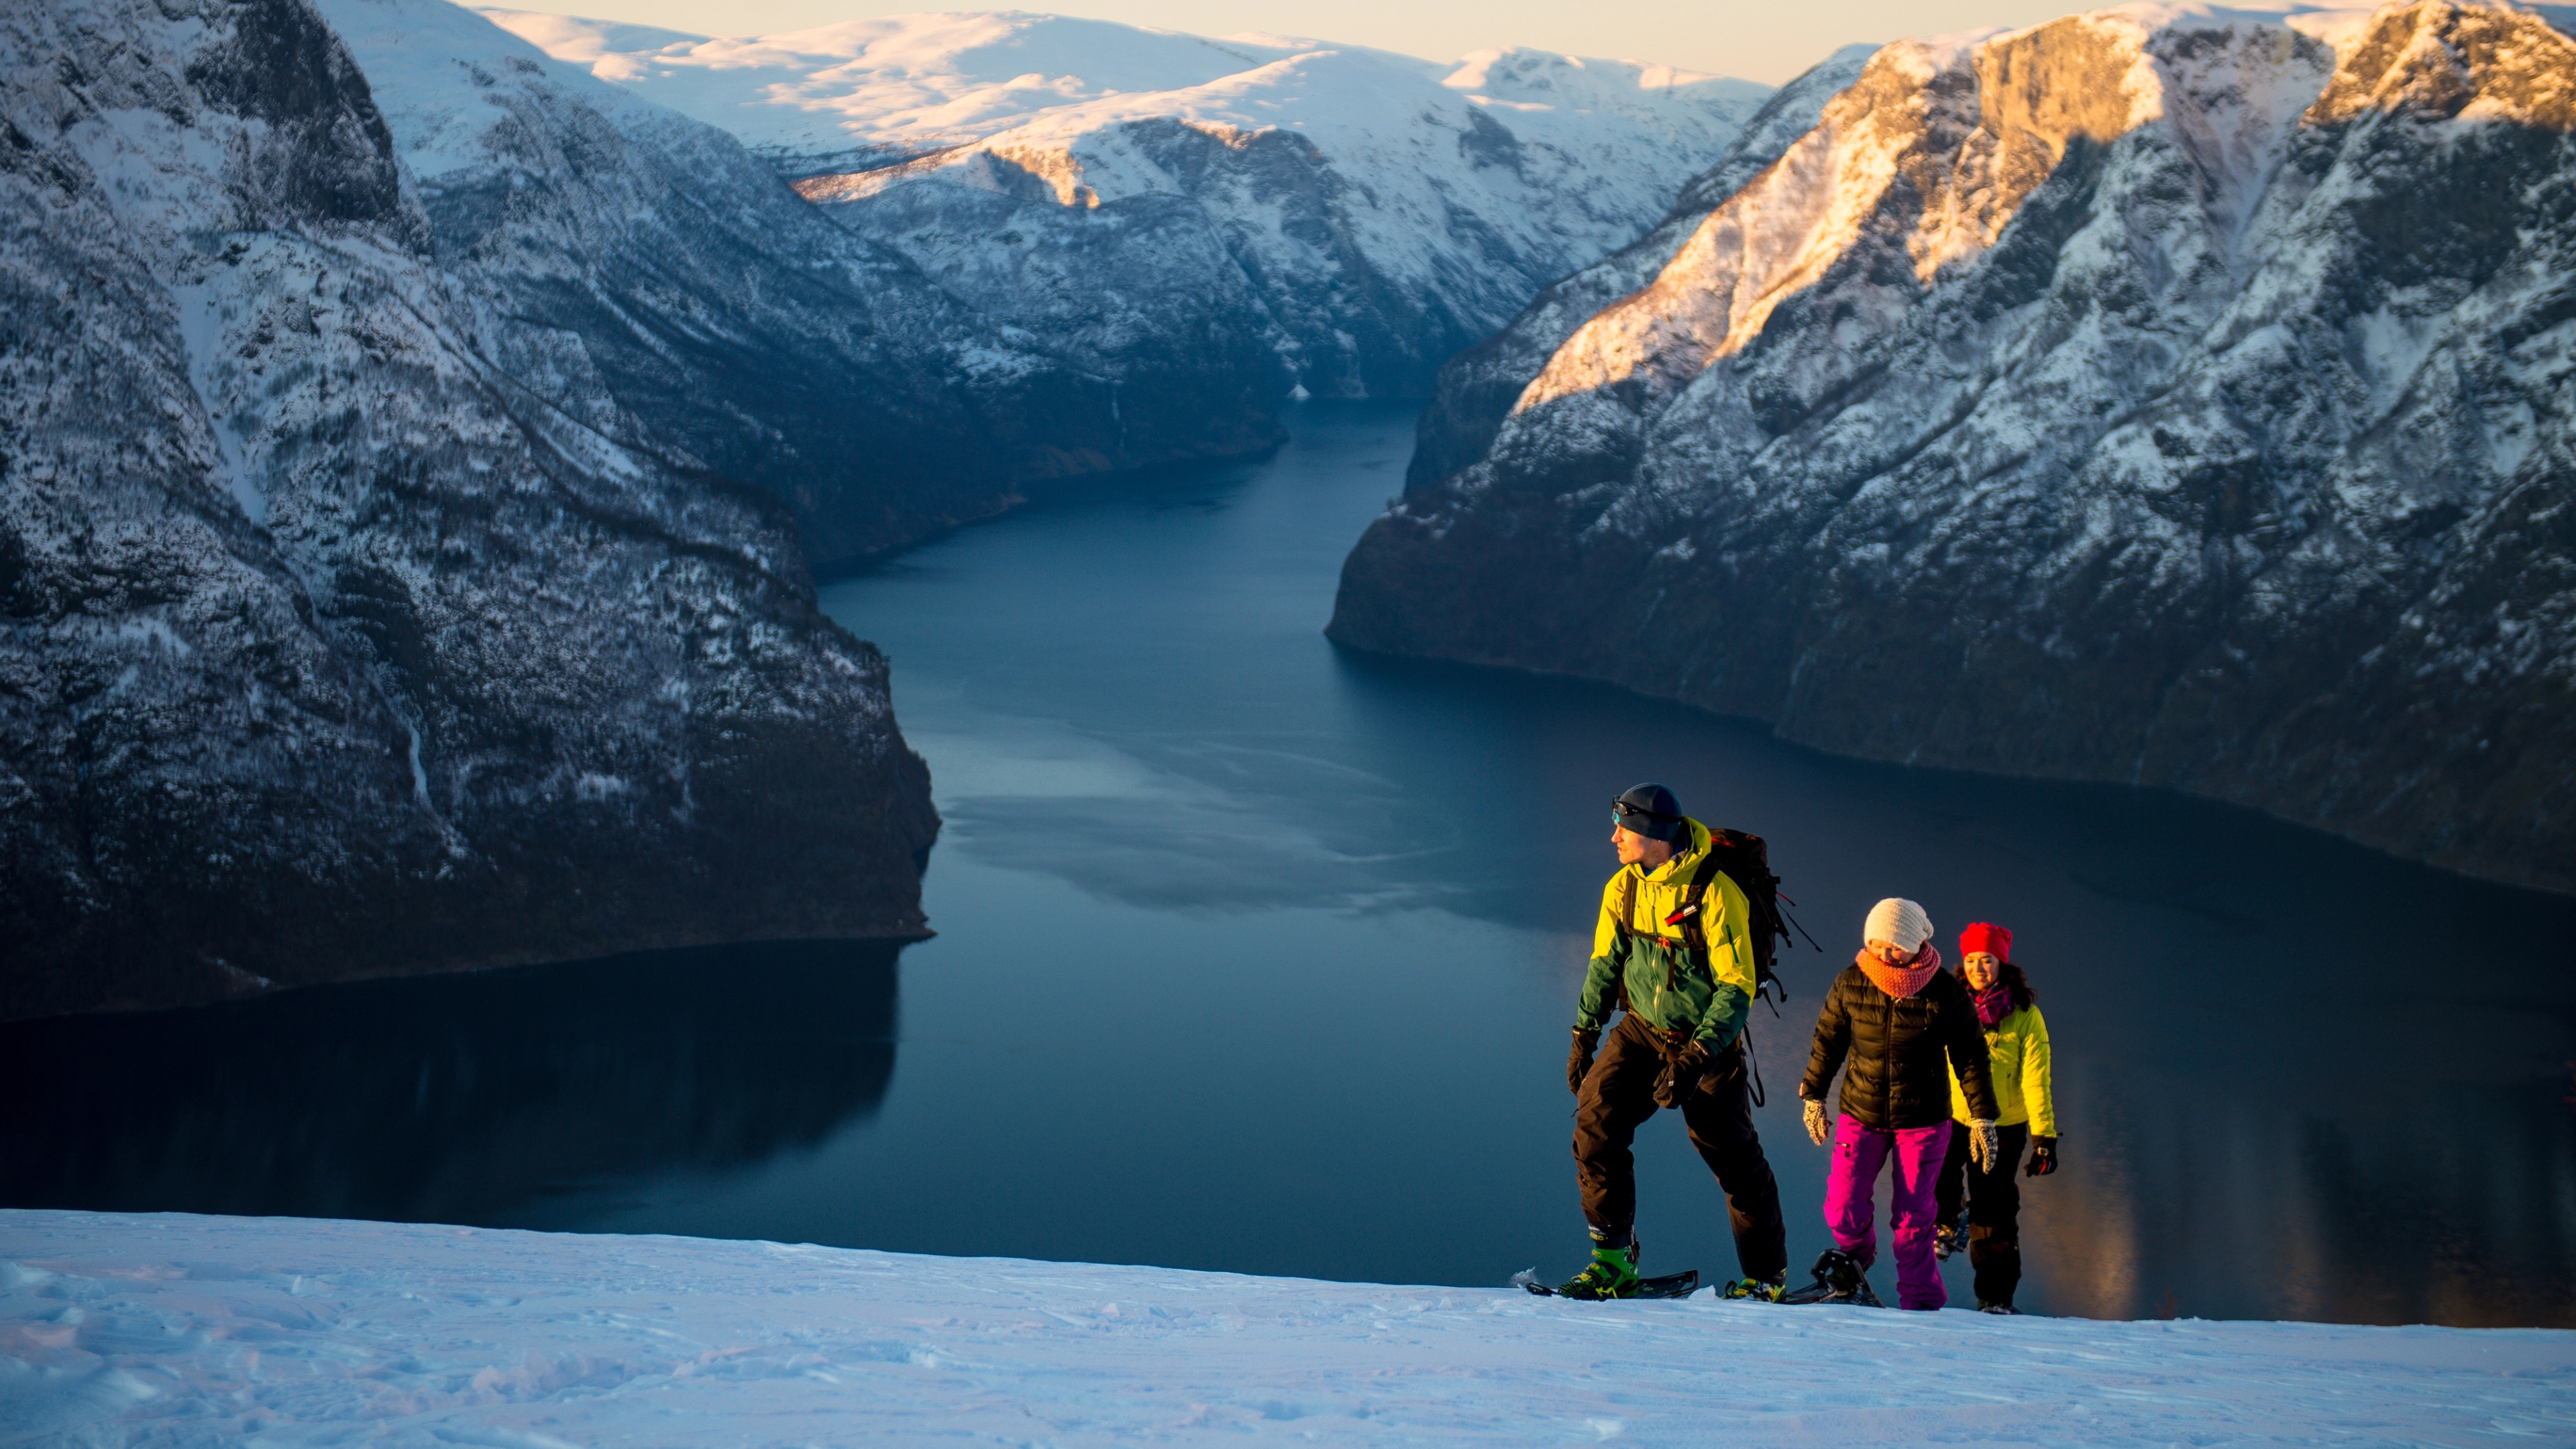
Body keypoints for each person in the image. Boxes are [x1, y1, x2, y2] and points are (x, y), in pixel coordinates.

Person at [1557, 784, 1788, 1299]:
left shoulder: (1713, 892)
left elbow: (1736, 986)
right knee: (1595, 1125)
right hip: (1642, 1032)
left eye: (1623, 826)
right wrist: (1584, 1036)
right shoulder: (1625, 888)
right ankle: (1613, 1263)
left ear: (1652, 835)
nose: (1613, 836)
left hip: (1705, 1044)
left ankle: (1766, 1279)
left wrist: (1696, 1059)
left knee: (1734, 1161)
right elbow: (1604, 965)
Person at [1792, 898, 2000, 1309]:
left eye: (1895, 946)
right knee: (1842, 1208)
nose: (1885, 955)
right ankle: (1857, 1263)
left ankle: (1921, 1305)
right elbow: (1828, 1040)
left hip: (1922, 1121)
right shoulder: (1851, 981)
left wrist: (1982, 1118)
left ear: (1918, 944)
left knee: (1913, 1221)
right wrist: (1813, 1095)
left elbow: (1971, 1056)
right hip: (1861, 1113)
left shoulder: (1944, 991)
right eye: (1877, 943)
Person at [1933, 921, 2057, 1314]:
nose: (1978, 968)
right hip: (1954, 1116)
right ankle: (1949, 1222)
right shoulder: (1950, 1002)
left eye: (1986, 960)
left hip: (2004, 1125)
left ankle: (1996, 1298)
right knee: (1937, 1178)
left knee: (1994, 1211)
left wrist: (2045, 1137)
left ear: (2002, 963)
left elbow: (2037, 1079)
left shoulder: (2024, 1016)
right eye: (1971, 960)